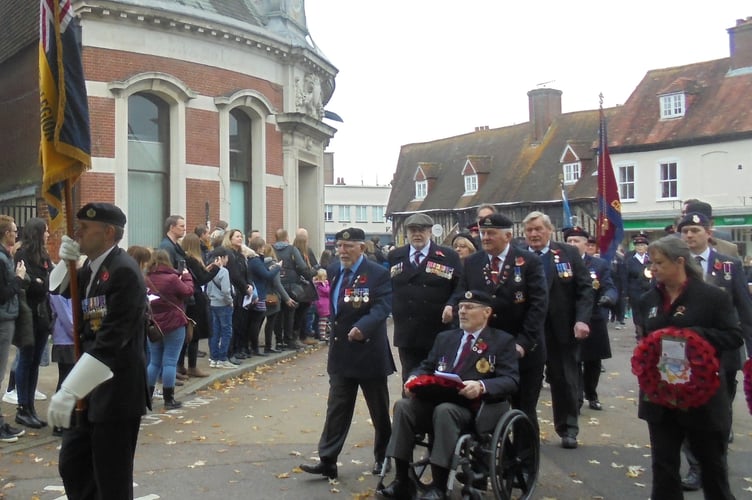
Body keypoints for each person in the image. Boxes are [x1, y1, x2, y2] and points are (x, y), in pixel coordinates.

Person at [47, 203, 149, 499]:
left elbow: (111, 342)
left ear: (107, 232)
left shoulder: (124, 272)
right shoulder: (92, 267)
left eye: (85, 229)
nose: (77, 233)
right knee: (74, 465)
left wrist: (68, 390)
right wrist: (62, 262)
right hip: (90, 389)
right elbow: (60, 290)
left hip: (115, 392)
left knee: (111, 479)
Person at [376, 290, 519, 500]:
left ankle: (439, 486)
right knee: (403, 407)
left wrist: (481, 385)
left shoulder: (501, 341)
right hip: (436, 401)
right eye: (460, 307)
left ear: (487, 312)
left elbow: (511, 380)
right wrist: (413, 378)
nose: (462, 311)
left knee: (445, 412)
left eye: (469, 307)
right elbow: (426, 366)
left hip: (475, 408)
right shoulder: (446, 338)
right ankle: (401, 481)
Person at [635, 236, 743, 499]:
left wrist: (695, 335)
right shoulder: (648, 299)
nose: (654, 268)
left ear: (679, 261)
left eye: (659, 263)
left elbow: (733, 336)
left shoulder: (712, 297)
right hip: (660, 395)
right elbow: (644, 339)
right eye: (651, 263)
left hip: (701, 394)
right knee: (664, 466)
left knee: (712, 467)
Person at [299, 227, 395, 479]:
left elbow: (382, 307)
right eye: (339, 247)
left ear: (361, 248)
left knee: (378, 410)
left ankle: (383, 457)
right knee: (337, 408)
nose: (342, 251)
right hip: (341, 353)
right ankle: (328, 460)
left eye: (348, 247)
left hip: (369, 352)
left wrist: (363, 328)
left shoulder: (377, 274)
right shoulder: (332, 271)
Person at [676, 212, 752, 490]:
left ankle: (716, 460)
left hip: (724, 352)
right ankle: (696, 466)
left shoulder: (729, 265)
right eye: (685, 231)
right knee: (688, 408)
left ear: (709, 233)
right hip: (686, 354)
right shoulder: (676, 266)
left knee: (720, 412)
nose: (689, 235)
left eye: (695, 230)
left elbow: (744, 309)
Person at [457, 213, 547, 437]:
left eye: (491, 233)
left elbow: (538, 306)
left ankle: (525, 464)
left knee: (523, 409)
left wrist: (523, 343)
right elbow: (461, 294)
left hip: (523, 349)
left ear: (507, 236)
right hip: (485, 350)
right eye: (483, 233)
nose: (485, 237)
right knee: (486, 408)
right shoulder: (472, 262)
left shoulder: (529, 262)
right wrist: (452, 307)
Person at [523, 211, 593, 449]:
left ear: (549, 230)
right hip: (529, 331)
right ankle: (526, 430)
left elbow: (584, 289)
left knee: (564, 380)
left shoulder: (568, 253)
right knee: (527, 383)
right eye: (529, 230)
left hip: (561, 331)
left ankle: (568, 428)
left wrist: (582, 320)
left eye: (538, 229)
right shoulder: (519, 257)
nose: (534, 234)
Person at [388, 213, 463, 384]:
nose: (417, 234)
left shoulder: (447, 256)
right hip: (408, 333)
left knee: (439, 380)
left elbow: (461, 287)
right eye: (413, 230)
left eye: (421, 230)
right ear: (407, 233)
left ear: (430, 232)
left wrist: (452, 305)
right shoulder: (396, 256)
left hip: (437, 330)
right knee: (410, 380)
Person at [563, 227, 617, 412]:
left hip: (594, 318)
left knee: (593, 362)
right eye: (569, 241)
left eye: (576, 241)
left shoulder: (599, 265)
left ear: (586, 244)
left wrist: (609, 298)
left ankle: (591, 394)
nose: (572, 244)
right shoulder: (562, 264)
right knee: (574, 361)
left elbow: (609, 286)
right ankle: (576, 399)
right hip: (570, 320)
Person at [13, 218, 53, 429]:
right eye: (45, 231)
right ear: (38, 233)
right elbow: (28, 284)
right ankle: (23, 408)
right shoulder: (22, 254)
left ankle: (31, 407)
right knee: (26, 360)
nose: (48, 235)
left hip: (43, 314)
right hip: (29, 315)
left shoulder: (44, 256)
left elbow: (48, 281)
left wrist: (41, 282)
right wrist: (40, 283)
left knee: (36, 361)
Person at [144, 249, 194, 409]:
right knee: (170, 361)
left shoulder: (146, 278)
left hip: (155, 324)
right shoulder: (172, 278)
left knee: (154, 362)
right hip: (174, 322)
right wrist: (186, 276)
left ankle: (147, 397)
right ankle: (169, 399)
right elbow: (188, 291)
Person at [0, 215, 26, 443]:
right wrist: (18, 279)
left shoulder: (5, 256)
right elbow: (3, 293)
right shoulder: (1, 259)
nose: (16, 234)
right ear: (6, 233)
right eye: (14, 230)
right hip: (2, 319)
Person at [179, 233, 219, 377]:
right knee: (194, 334)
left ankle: (180, 365)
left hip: (188, 299)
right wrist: (216, 269)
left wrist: (207, 269)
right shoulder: (193, 260)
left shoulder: (184, 259)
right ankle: (192, 366)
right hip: (195, 299)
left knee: (185, 334)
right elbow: (201, 280)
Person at [246, 237, 282, 355]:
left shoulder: (254, 260)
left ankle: (251, 346)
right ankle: (254, 347)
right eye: (262, 247)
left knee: (255, 321)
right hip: (259, 293)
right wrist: (277, 267)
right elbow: (267, 276)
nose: (263, 249)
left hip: (257, 293)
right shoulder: (255, 261)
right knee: (256, 321)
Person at [273, 228, 309, 350]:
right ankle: (289, 339)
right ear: (286, 237)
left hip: (276, 283)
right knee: (290, 313)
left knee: (278, 313)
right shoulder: (291, 249)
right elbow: (302, 266)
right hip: (291, 284)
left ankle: (278, 340)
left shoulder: (272, 249)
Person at [222, 229, 254, 361]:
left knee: (241, 322)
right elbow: (234, 274)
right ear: (230, 239)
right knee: (234, 323)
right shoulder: (229, 254)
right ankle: (232, 351)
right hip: (236, 291)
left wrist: (250, 284)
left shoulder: (241, 255)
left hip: (244, 292)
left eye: (241, 236)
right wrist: (245, 286)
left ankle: (239, 348)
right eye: (237, 236)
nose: (240, 239)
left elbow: (246, 272)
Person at [204, 247, 235, 368]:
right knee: (226, 331)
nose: (227, 260)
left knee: (215, 331)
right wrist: (230, 301)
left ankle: (213, 357)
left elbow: (207, 288)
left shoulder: (210, 269)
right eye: (226, 257)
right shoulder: (224, 272)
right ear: (222, 258)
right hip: (224, 304)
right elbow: (226, 290)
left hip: (213, 303)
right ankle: (223, 358)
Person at [49, 292, 74, 437]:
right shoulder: (58, 289)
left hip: (69, 338)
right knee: (65, 381)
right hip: (65, 340)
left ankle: (65, 419)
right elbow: (65, 316)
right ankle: (59, 422)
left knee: (69, 380)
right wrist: (76, 332)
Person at [261, 243, 294, 352]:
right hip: (272, 296)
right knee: (271, 323)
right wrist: (287, 298)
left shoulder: (259, 264)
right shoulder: (274, 265)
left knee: (259, 322)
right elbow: (277, 284)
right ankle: (268, 346)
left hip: (261, 295)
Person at [625, 233, 652, 335]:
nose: (640, 247)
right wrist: (626, 293)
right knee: (637, 312)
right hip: (635, 291)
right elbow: (626, 277)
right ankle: (639, 333)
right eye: (637, 245)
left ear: (646, 247)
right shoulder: (630, 260)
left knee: (648, 311)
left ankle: (647, 330)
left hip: (649, 289)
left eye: (642, 245)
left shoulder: (650, 259)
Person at [312, 268, 331, 341]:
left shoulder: (317, 284)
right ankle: (322, 335)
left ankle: (318, 333)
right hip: (323, 304)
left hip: (322, 303)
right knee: (323, 320)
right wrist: (327, 284)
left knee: (319, 320)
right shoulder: (320, 285)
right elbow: (327, 291)